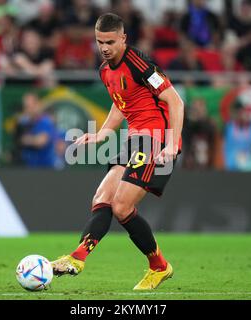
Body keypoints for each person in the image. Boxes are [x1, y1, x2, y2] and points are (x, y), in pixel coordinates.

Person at [51, 13, 184, 290]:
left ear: (123, 38)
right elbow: (120, 102)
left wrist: (172, 143)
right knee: (103, 197)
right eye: (100, 42)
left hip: (155, 139)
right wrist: (102, 134)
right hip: (134, 139)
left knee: (122, 206)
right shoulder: (104, 70)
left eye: (110, 41)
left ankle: (159, 266)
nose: (105, 47)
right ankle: (77, 258)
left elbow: (175, 101)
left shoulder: (139, 63)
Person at [14, 92, 58, 168]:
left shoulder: (45, 121)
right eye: (25, 107)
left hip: (45, 168)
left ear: (37, 105)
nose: (27, 110)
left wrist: (26, 139)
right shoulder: (24, 122)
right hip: (29, 167)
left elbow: (41, 141)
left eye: (30, 106)